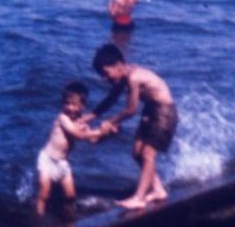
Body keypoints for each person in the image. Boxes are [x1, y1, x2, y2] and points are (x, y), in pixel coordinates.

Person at [91, 43, 178, 210]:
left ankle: (139, 197)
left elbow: (131, 110)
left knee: (147, 154)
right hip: (151, 112)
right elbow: (111, 99)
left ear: (118, 65)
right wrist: (89, 117)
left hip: (164, 113)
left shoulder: (134, 77)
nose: (104, 78)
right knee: (136, 153)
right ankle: (158, 190)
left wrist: (111, 122)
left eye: (105, 73)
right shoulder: (124, 75)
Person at [35, 81, 115, 216]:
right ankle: (39, 216)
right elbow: (76, 134)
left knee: (71, 196)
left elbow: (92, 140)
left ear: (82, 106)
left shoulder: (82, 122)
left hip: (62, 162)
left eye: (73, 105)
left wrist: (107, 134)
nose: (69, 108)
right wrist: (99, 131)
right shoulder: (62, 118)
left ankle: (69, 216)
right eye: (66, 104)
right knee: (44, 194)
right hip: (47, 159)